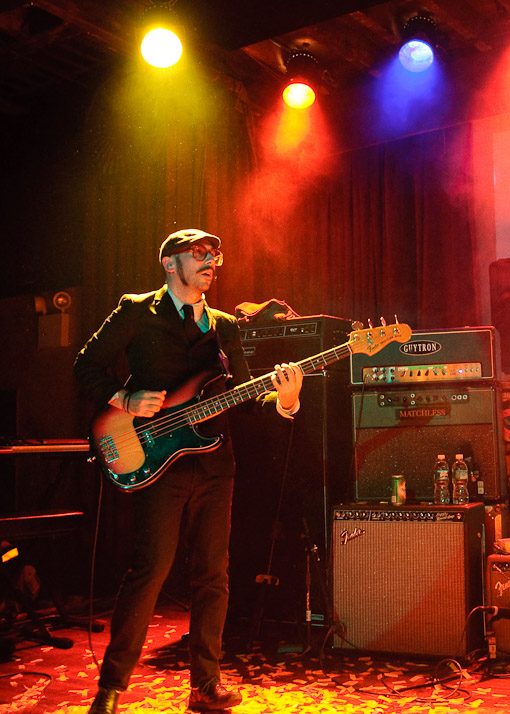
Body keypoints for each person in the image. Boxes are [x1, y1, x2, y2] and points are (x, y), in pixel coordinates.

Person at [74, 229, 303, 714]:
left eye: (215, 253)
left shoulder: (224, 325)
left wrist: (284, 398)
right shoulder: (137, 309)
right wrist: (125, 398)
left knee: (213, 575)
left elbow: (242, 395)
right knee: (150, 570)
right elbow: (86, 365)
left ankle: (205, 684)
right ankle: (111, 688)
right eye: (198, 253)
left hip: (216, 463)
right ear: (168, 263)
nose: (211, 260)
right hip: (155, 459)